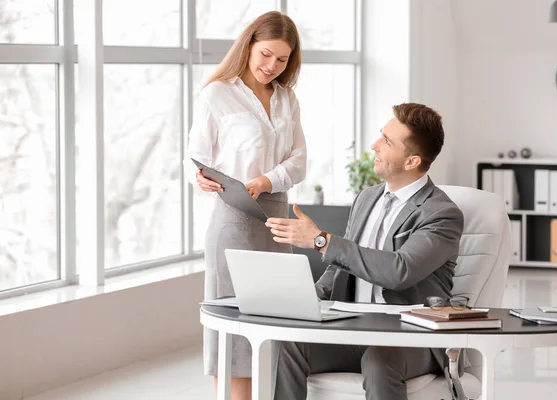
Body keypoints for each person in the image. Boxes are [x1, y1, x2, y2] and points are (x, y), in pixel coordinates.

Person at [265, 102, 464, 400]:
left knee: (380, 359)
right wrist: (305, 299)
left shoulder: (441, 213)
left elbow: (400, 271)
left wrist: (322, 240)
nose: (374, 146)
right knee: (288, 343)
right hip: (353, 329)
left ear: (411, 162)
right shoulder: (367, 198)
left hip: (411, 337)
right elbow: (340, 268)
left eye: (386, 141)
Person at [184, 11, 306, 400]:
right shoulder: (217, 94)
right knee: (232, 327)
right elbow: (195, 157)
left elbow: (299, 161)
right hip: (233, 217)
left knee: (277, 320)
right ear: (249, 45)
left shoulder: (287, 99)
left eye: (283, 59)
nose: (272, 66)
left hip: (276, 219)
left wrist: (267, 181)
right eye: (266, 54)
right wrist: (198, 178)